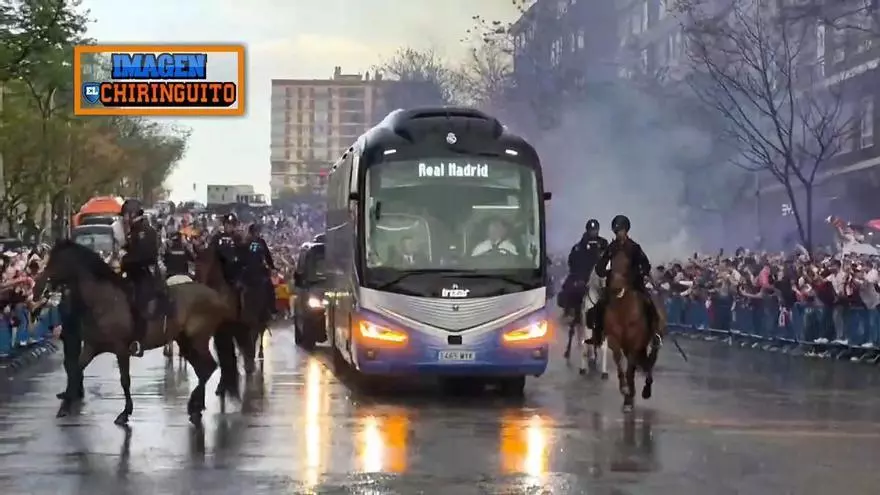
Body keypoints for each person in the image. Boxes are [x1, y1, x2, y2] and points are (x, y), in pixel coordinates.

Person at [586, 215, 659, 349]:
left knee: (649, 304)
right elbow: (600, 266)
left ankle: (654, 335)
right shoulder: (611, 247)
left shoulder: (634, 247)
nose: (618, 234)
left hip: (633, 283)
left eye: (620, 231)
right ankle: (597, 335)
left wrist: (637, 273)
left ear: (626, 230)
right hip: (614, 285)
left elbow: (646, 265)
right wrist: (606, 272)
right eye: (616, 232)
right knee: (599, 307)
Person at [120, 198, 161, 357]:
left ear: (132, 214)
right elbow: (130, 250)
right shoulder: (134, 230)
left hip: (145, 275)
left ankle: (138, 341)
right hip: (133, 274)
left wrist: (125, 260)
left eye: (125, 215)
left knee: (138, 303)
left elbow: (145, 256)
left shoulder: (145, 231)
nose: (124, 218)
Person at [241, 223, 276, 317]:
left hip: (260, 269)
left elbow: (267, 255)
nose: (257, 233)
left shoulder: (261, 242)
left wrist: (272, 267)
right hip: (247, 270)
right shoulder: (245, 242)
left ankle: (272, 309)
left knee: (269, 287)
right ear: (251, 232)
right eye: (255, 232)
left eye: (258, 231)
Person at [208, 212, 243, 287]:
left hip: (233, 269)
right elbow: (210, 250)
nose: (228, 226)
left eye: (231, 224)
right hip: (219, 268)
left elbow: (242, 252)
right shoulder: (217, 237)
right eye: (227, 224)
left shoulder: (237, 238)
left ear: (234, 226)